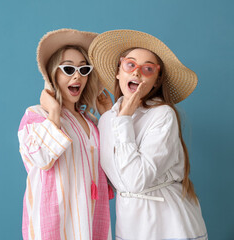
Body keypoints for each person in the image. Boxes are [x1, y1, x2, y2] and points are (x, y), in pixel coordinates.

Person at [90, 30, 207, 239]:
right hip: (129, 224)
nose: (137, 73)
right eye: (130, 65)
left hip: (170, 225)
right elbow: (110, 178)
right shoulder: (107, 120)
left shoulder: (162, 115)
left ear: (156, 81)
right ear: (118, 71)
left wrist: (124, 119)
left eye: (148, 69)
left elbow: (136, 181)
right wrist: (114, 119)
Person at [18, 29, 112, 240]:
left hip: (92, 220)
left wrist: (108, 116)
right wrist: (54, 111)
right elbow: (41, 158)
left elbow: (114, 172)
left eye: (83, 69)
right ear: (53, 74)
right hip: (55, 224)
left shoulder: (93, 122)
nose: (77, 75)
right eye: (68, 68)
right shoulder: (36, 116)